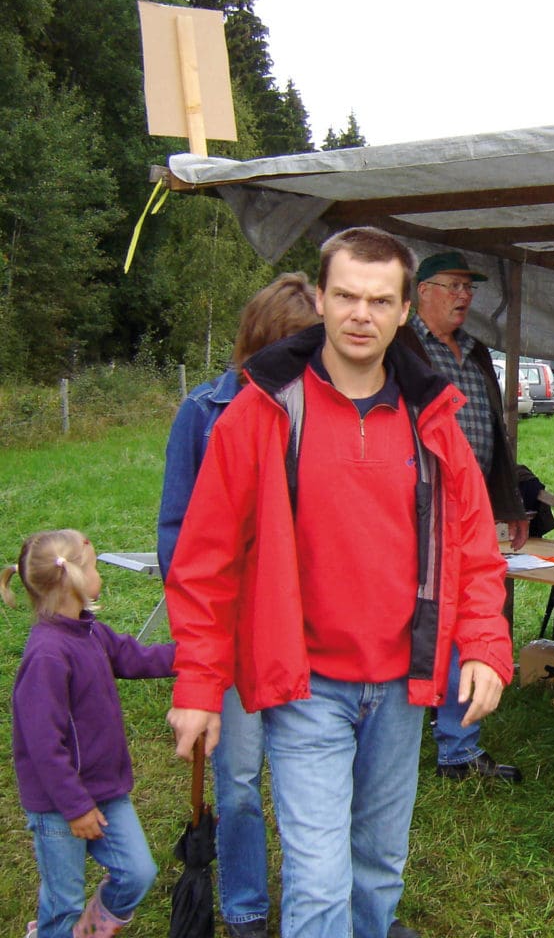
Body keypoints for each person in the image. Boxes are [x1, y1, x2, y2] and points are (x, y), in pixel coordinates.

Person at [164, 226, 513, 938]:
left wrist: (483, 644)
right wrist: (200, 686)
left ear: (403, 309)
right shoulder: (259, 411)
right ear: (320, 298)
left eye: (380, 300)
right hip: (306, 684)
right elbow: (205, 561)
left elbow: (474, 547)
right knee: (319, 883)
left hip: (401, 684)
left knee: (378, 867)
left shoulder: (434, 418)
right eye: (347, 295)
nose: (361, 314)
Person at [156, 272, 320, 938]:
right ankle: (246, 904)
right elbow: (177, 530)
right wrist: (200, 636)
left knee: (311, 782)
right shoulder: (206, 410)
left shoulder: (327, 411)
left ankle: (321, 900)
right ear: (258, 345)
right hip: (233, 631)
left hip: (306, 628)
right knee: (241, 778)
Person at [3, 529, 175, 938]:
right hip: (59, 804)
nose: (100, 573)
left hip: (105, 789)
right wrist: (76, 807)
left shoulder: (89, 631)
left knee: (136, 872)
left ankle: (87, 931)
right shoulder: (47, 655)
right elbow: (43, 746)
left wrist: (199, 653)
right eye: (95, 566)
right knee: (63, 902)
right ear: (74, 580)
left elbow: (136, 657)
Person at [397, 250, 526, 783]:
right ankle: (408, 738)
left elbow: (495, 434)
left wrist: (511, 504)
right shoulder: (401, 347)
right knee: (416, 619)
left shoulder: (475, 353)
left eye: (468, 288)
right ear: (422, 291)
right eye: (451, 286)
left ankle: (457, 745)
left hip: (470, 511)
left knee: (465, 616)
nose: (463, 296)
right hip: (416, 508)